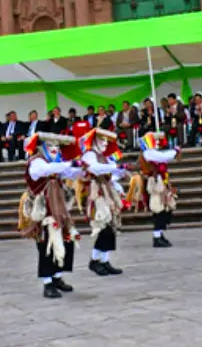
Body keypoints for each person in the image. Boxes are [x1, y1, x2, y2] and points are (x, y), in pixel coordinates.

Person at [19, 131, 83, 298]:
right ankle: (47, 282)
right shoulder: (37, 162)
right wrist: (70, 164)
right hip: (43, 211)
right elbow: (48, 170)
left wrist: (81, 168)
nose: (54, 149)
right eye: (50, 146)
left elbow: (69, 173)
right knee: (46, 244)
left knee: (65, 241)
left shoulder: (57, 163)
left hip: (59, 209)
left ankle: (57, 277)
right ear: (42, 147)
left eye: (57, 146)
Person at [78, 128, 129, 276]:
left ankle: (104, 260)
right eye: (102, 140)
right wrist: (115, 167)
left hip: (107, 191)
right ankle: (94, 260)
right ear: (94, 141)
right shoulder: (89, 155)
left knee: (110, 227)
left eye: (107, 141)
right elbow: (95, 169)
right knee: (102, 226)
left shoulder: (105, 157)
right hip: (96, 193)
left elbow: (111, 172)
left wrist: (122, 171)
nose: (105, 144)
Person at [128, 132, 180, 247]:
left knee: (164, 209)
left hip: (162, 183)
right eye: (155, 140)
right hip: (155, 185)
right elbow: (163, 157)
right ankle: (157, 237)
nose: (157, 143)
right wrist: (175, 150)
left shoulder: (153, 153)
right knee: (158, 209)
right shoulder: (148, 153)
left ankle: (160, 234)